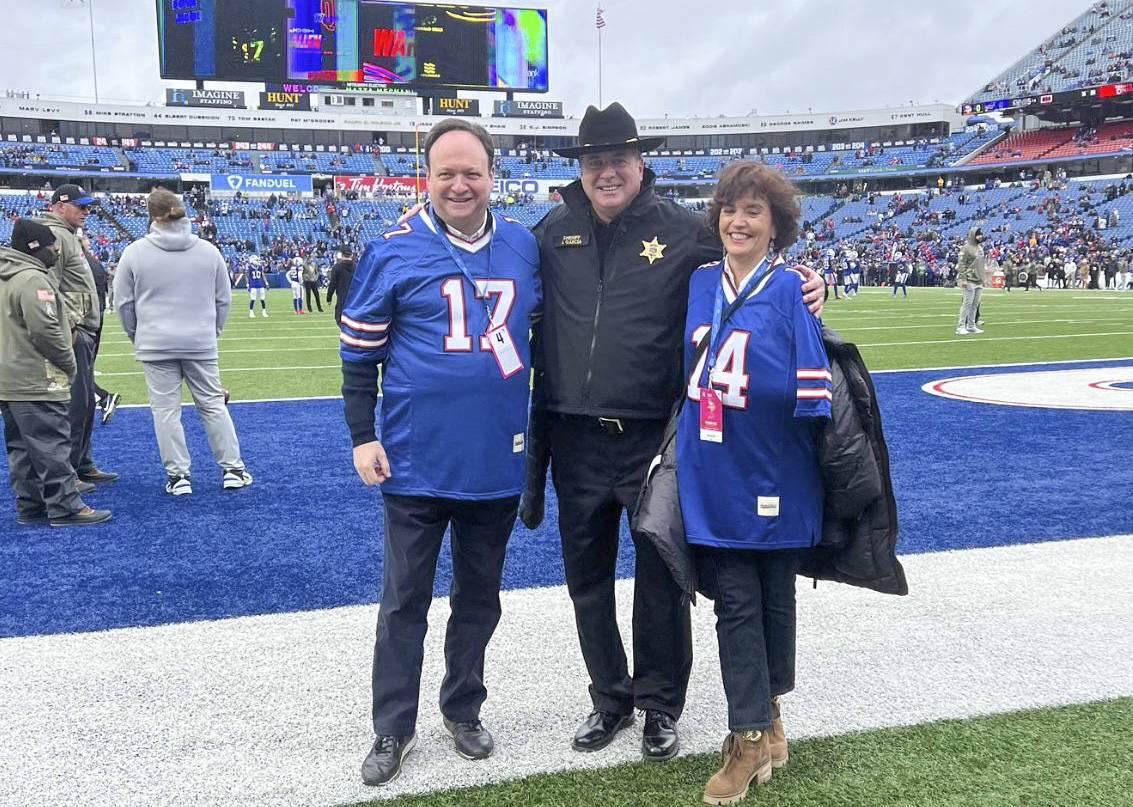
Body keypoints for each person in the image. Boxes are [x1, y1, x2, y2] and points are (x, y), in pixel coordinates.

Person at [524, 102, 824, 762]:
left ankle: (660, 703)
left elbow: (754, 262)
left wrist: (809, 281)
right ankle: (609, 697)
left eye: (618, 159)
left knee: (660, 578)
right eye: (594, 160)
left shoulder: (686, 230)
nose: (607, 172)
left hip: (653, 440)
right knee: (587, 580)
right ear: (580, 167)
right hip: (572, 437)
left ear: (640, 163)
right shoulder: (549, 232)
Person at [340, 118, 540, 786]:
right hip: (415, 459)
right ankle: (391, 726)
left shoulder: (521, 245)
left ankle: (462, 708)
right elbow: (357, 355)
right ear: (425, 178)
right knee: (404, 602)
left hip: (494, 459)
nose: (459, 183)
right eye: (446, 172)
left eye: (471, 171)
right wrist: (362, 434)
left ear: (491, 176)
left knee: (479, 599)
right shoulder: (391, 249)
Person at [674, 163, 830, 803]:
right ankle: (752, 731)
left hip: (774, 465)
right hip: (713, 466)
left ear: (776, 226)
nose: (738, 222)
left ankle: (764, 725)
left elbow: (815, 391)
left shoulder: (793, 287)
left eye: (754, 212)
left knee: (771, 597)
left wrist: (820, 292)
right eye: (730, 210)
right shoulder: (700, 281)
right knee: (735, 599)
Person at [113, 189, 253, 496]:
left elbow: (122, 304)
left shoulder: (134, 252)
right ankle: (233, 469)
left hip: (154, 343)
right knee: (213, 406)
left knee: (165, 412)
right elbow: (223, 300)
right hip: (199, 341)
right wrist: (210, 331)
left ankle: (178, 477)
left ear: (150, 215)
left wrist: (138, 335)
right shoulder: (208, 251)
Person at [0, 220, 111, 526]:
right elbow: (47, 332)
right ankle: (66, 507)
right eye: (51, 245)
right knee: (52, 444)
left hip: (8, 379)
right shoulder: (33, 280)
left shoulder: (6, 276)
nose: (57, 249)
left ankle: (30, 505)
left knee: (21, 447)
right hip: (36, 377)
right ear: (34, 248)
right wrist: (70, 364)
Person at [38, 184, 117, 485]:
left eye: (88, 207)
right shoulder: (56, 236)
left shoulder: (69, 235)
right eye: (80, 207)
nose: (86, 212)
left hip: (84, 328)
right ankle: (68, 471)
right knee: (73, 404)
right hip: (73, 332)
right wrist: (67, 329)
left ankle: (82, 463)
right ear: (60, 206)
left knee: (85, 402)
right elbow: (46, 287)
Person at [955, 227, 985, 335]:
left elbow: (981, 264)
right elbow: (961, 264)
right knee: (967, 303)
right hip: (969, 279)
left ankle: (971, 325)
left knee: (975, 304)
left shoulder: (980, 248)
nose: (980, 236)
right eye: (978, 235)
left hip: (978, 280)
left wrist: (983, 277)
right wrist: (963, 279)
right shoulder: (966, 248)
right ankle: (961, 326)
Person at [325, 245, 356, 325]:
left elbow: (332, 284)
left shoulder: (337, 268)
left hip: (342, 300)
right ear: (351, 255)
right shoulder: (357, 267)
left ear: (341, 255)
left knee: (341, 323)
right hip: (355, 301)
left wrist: (329, 298)